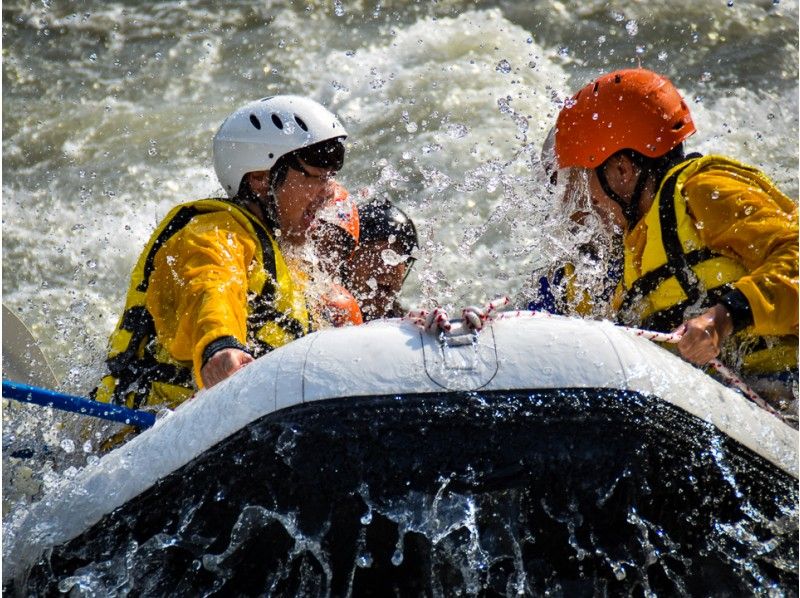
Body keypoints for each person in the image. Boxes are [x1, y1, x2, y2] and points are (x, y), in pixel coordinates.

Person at [549, 68, 798, 413]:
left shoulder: (703, 190)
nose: (575, 205)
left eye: (580, 181)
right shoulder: (620, 258)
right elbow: (545, 313)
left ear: (621, 171)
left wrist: (722, 319)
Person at [93, 95, 351, 410]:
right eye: (315, 178)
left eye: (330, 178)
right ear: (259, 179)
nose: (328, 194)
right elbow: (212, 286)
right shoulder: (214, 234)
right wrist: (219, 346)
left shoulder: (282, 255)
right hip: (138, 431)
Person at [343, 198, 418, 321]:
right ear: (348, 262)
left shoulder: (411, 325)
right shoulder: (321, 321)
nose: (384, 267)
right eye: (372, 254)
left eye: (395, 255)